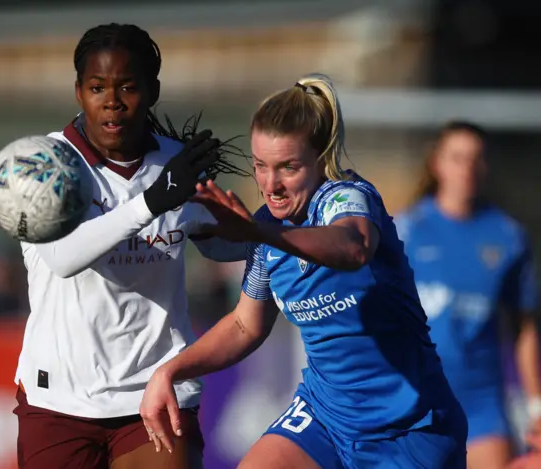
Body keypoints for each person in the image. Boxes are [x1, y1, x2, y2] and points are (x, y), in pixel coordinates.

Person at [139, 74, 468, 469]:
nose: (270, 184)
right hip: (325, 417)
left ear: (319, 158)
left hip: (409, 429)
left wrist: (260, 231)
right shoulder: (266, 229)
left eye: (288, 168)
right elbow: (246, 325)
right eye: (261, 166)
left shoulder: (346, 197)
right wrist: (170, 371)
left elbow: (354, 247)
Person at [10, 23, 249, 469]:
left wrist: (280, 229)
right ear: (78, 92)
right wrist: (152, 202)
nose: (112, 101)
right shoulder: (45, 164)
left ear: (153, 91)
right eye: (97, 87)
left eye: (128, 87)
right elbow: (64, 258)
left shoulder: (178, 165)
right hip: (59, 401)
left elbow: (218, 247)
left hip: (158, 390)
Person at [394, 122, 541, 469]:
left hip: (482, 406)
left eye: (476, 159)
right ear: (437, 164)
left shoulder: (508, 237)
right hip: (416, 400)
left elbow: (524, 327)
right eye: (457, 158)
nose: (467, 168)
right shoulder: (405, 230)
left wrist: (536, 404)